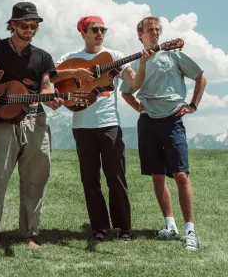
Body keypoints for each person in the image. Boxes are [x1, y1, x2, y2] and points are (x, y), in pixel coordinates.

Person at [0, 2, 64, 252]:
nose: (30, 29)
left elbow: (46, 85)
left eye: (34, 26)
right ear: (13, 24)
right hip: (4, 121)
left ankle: (28, 233)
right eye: (25, 25)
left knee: (35, 180)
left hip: (36, 119)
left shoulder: (43, 57)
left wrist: (51, 98)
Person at [52, 16, 152, 242]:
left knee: (116, 177)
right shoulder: (71, 58)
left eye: (102, 29)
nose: (100, 33)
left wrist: (143, 63)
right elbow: (51, 74)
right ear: (83, 33)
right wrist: (75, 73)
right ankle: (99, 228)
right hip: (81, 126)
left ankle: (124, 228)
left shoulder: (115, 56)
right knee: (90, 179)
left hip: (109, 125)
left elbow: (134, 84)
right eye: (94, 29)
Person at [120, 16, 206, 251]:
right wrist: (137, 106)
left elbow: (200, 76)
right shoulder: (135, 62)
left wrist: (192, 105)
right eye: (150, 30)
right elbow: (125, 91)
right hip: (148, 122)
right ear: (140, 34)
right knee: (157, 175)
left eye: (158, 29)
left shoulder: (173, 54)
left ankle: (190, 230)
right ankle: (170, 225)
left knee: (180, 174)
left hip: (172, 120)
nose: (155, 32)